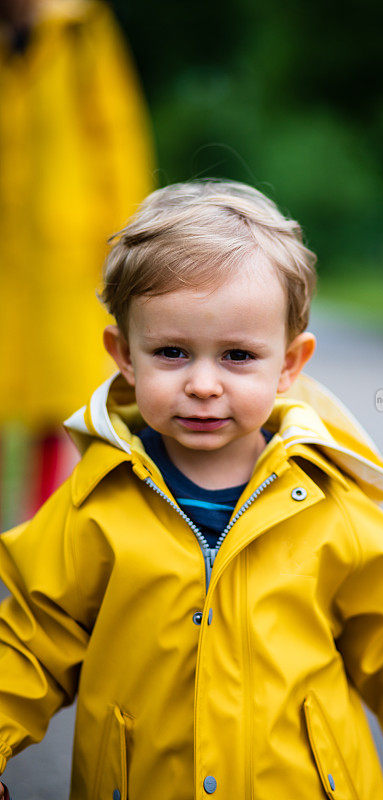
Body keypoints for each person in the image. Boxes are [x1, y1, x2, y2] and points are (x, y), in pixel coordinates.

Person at [0, 181, 383, 799]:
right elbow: (32, 637)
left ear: (288, 364)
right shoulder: (95, 504)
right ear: (124, 355)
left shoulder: (328, 502)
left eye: (236, 356)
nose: (204, 384)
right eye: (172, 352)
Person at [0, 0, 154, 528]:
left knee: (55, 404)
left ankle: (41, 539)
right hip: (7, 252)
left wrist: (130, 246)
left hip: (64, 251)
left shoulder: (80, 28)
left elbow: (117, 135)